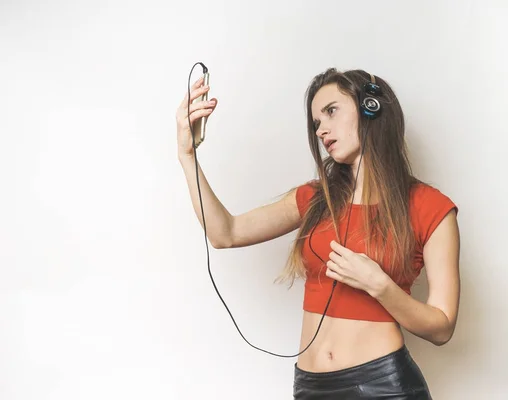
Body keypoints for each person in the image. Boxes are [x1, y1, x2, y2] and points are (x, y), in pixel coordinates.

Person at [175, 67, 460, 399]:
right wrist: (187, 155)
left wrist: (379, 285)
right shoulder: (313, 199)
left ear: (371, 107)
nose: (322, 129)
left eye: (331, 111)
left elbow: (442, 328)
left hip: (383, 385)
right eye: (316, 123)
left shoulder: (430, 206)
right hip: (311, 387)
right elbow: (226, 233)